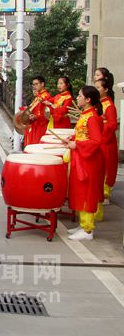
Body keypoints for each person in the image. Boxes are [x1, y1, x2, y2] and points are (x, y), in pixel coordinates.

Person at [66, 86, 105, 241]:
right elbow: (83, 135)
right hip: (82, 158)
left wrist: (78, 145)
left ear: (88, 100)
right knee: (81, 191)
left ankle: (88, 230)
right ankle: (83, 224)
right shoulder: (86, 115)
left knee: (87, 192)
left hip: (89, 160)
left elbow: (96, 141)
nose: (77, 98)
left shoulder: (93, 117)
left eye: (80, 96)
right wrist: (73, 140)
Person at [95, 77, 118, 208]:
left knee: (106, 168)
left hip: (106, 141)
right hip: (99, 139)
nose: (97, 90)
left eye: (99, 88)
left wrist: (101, 124)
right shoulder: (99, 103)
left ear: (106, 89)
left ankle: (105, 194)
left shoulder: (109, 106)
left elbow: (113, 125)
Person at [22, 76, 51, 147]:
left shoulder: (46, 96)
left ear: (42, 84)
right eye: (33, 84)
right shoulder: (38, 96)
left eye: (36, 84)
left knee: (37, 147)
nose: (34, 86)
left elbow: (47, 114)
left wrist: (36, 117)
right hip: (35, 124)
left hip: (41, 126)